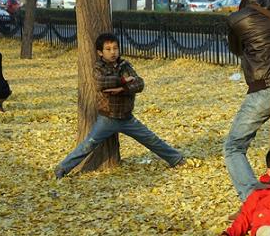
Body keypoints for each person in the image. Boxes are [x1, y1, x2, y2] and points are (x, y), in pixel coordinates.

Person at [54, 33, 184, 179]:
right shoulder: (99, 67)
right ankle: (62, 168)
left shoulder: (125, 65)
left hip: (127, 119)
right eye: (108, 49)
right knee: (88, 144)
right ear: (100, 52)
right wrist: (123, 80)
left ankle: (176, 159)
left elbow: (139, 83)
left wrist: (123, 89)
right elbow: (101, 83)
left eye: (115, 48)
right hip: (107, 119)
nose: (113, 52)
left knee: (151, 139)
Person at [224, 0, 270, 203]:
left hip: (262, 89)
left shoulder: (238, 19)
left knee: (233, 147)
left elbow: (236, 49)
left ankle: (252, 199)